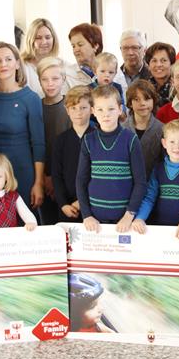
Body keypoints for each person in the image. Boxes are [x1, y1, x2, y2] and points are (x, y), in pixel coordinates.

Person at [0, 42, 45, 213]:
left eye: (8, 59)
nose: (3, 64)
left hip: (22, 171)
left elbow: (38, 144)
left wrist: (38, 183)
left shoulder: (30, 98)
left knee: (24, 221)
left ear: (17, 63)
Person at [76, 85, 146, 232]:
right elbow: (81, 180)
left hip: (125, 221)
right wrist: (87, 215)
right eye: (100, 109)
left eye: (111, 109)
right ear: (93, 111)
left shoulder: (131, 140)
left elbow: (140, 182)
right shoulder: (88, 140)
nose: (105, 114)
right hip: (95, 221)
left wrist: (129, 215)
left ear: (120, 109)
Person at [130, 120, 179, 239]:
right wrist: (140, 218)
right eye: (172, 142)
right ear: (164, 143)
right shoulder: (158, 169)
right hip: (161, 231)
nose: (177, 146)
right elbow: (149, 199)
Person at [38, 56, 72, 224]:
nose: (50, 84)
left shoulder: (71, 107)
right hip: (41, 177)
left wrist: (55, 178)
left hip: (66, 178)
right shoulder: (36, 106)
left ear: (63, 79)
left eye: (55, 78)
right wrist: (44, 177)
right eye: (45, 79)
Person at [52, 87, 94, 222]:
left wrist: (82, 202)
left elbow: (100, 178)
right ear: (67, 110)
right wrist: (63, 204)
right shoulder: (61, 140)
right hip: (68, 207)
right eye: (73, 108)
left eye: (83, 108)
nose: (78, 112)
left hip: (94, 205)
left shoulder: (98, 138)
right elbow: (56, 175)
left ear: (92, 109)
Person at [122, 79, 164, 178]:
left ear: (153, 101)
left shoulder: (162, 129)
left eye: (147, 99)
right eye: (137, 99)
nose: (142, 103)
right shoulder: (122, 129)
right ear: (130, 103)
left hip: (153, 182)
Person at [20, 18, 63, 98]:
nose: (44, 42)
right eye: (38, 38)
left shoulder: (62, 65)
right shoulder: (22, 67)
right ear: (30, 40)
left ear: (53, 39)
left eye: (48, 37)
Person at [66, 23, 103, 88]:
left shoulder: (110, 71)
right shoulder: (67, 74)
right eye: (73, 46)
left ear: (95, 46)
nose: (76, 50)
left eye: (80, 45)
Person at [144, 41, 176, 107]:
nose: (158, 65)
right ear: (148, 66)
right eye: (154, 61)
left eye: (163, 60)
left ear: (172, 64)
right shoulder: (144, 88)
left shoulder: (178, 87)